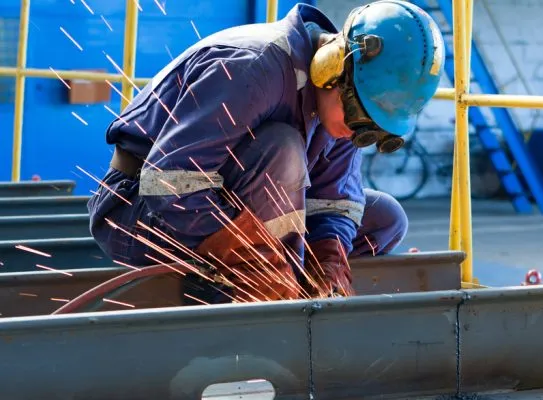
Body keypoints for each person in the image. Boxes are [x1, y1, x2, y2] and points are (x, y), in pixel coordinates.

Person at [87, 0, 445, 304]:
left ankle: (289, 279)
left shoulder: (341, 105)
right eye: (359, 117)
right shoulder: (253, 67)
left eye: (370, 130)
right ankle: (250, 291)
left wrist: (328, 260)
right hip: (141, 213)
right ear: (332, 67)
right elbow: (169, 184)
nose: (356, 132)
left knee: (386, 217)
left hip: (235, 203)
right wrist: (257, 264)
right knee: (283, 149)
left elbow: (335, 201)